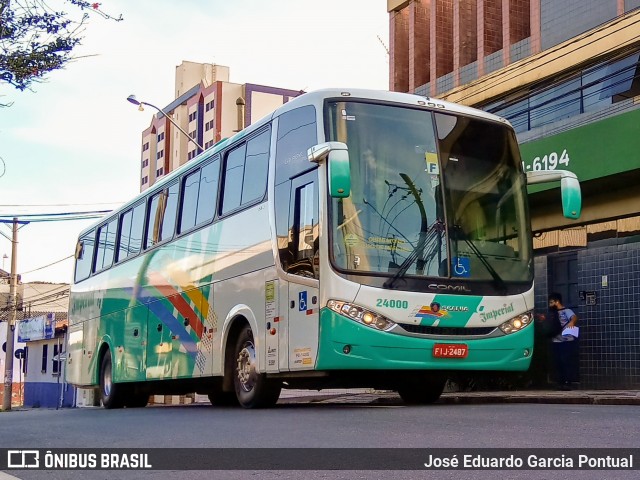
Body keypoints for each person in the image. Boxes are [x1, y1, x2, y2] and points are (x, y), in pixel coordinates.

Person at [547, 292, 579, 390]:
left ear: (557, 302)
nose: (550, 305)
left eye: (551, 302)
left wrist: (572, 322)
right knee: (558, 362)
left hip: (567, 341)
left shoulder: (566, 311)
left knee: (566, 361)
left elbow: (574, 317)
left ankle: (567, 382)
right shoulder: (552, 313)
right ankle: (560, 382)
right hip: (555, 341)